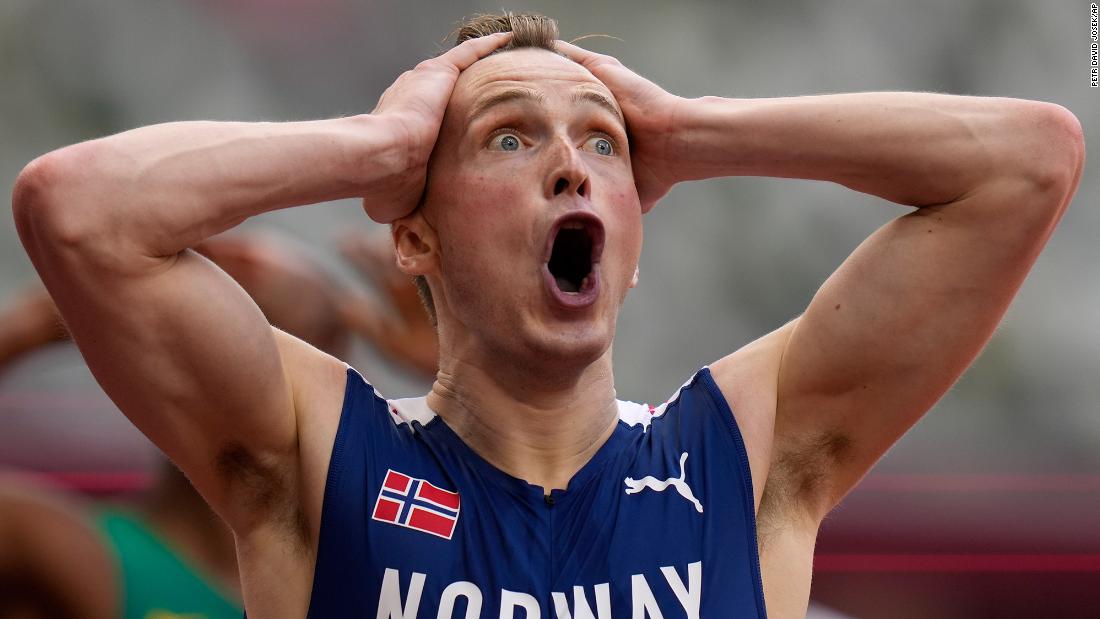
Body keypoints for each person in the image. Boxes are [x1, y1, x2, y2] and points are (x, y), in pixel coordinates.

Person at [10, 10, 1083, 618]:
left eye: (601, 143)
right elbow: (76, 209)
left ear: (633, 243)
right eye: (509, 139)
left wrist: (690, 130)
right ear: (414, 239)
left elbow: (1029, 159)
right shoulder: (321, 454)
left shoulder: (744, 458)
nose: (570, 164)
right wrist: (379, 151)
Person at [0, 233, 433, 619]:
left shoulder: (384, 582)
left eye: (243, 271)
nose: (216, 267)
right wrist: (34, 324)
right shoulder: (71, 553)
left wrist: (453, 374)